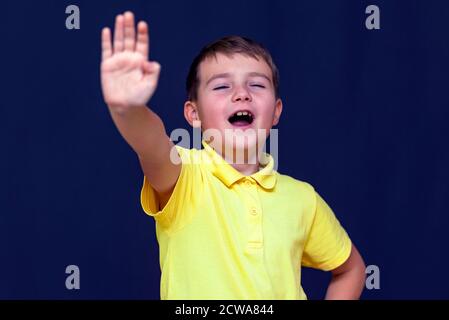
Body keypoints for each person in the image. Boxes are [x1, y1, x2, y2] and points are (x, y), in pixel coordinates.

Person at [100, 11, 366, 300]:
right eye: (222, 86)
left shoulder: (304, 199)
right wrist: (127, 109)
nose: (241, 94)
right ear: (194, 114)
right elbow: (151, 144)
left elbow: (351, 269)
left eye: (257, 84)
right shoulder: (185, 175)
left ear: (276, 111)